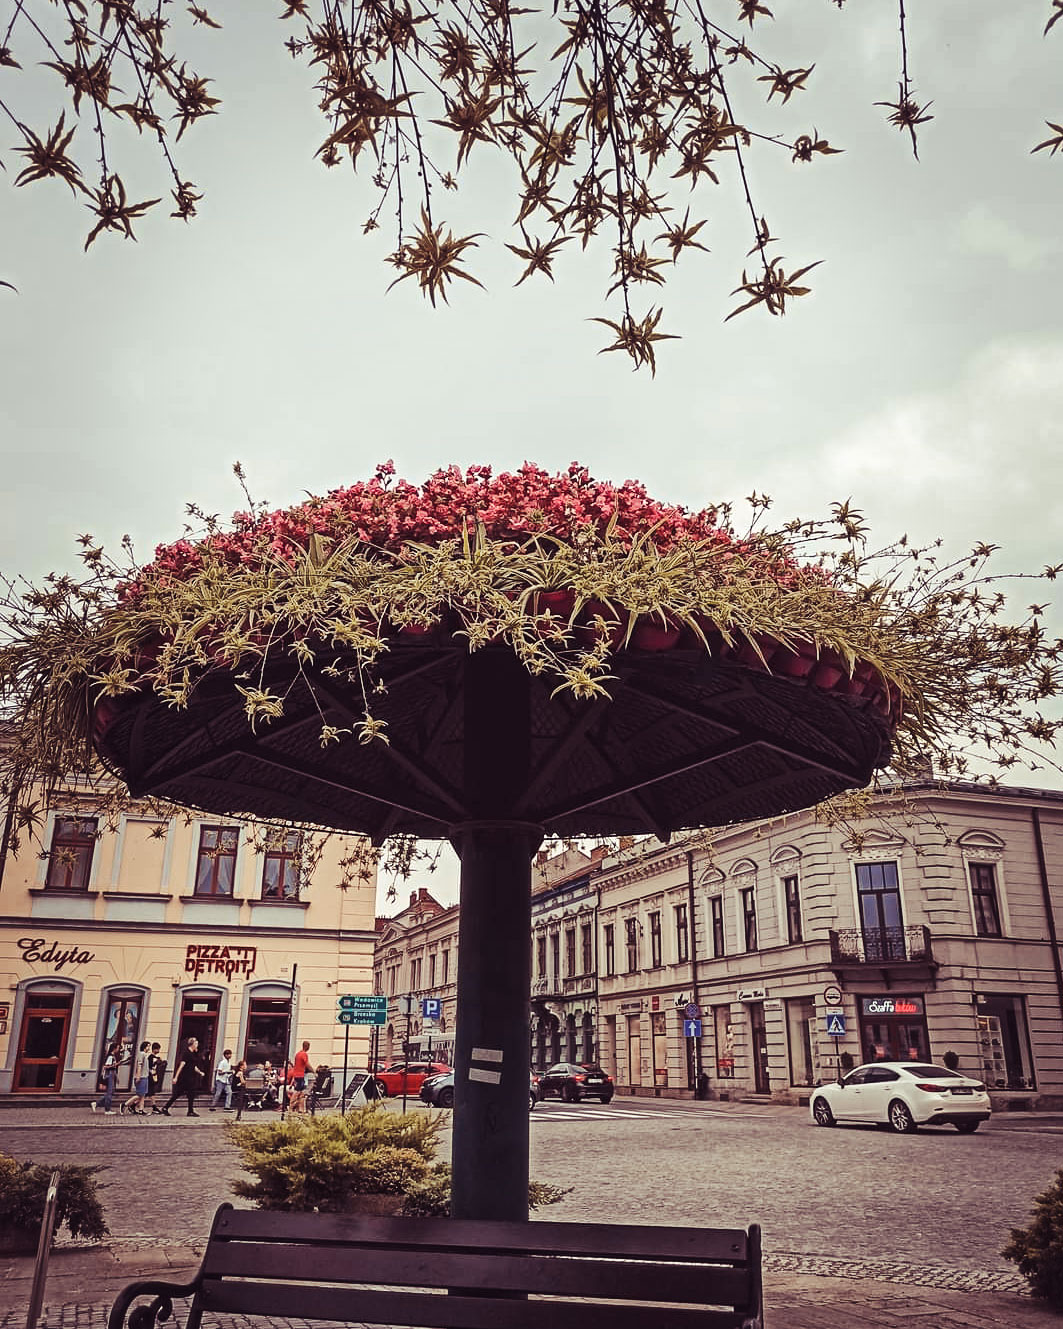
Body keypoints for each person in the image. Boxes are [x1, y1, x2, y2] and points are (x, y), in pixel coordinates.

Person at [160, 1037, 206, 1116]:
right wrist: (176, 1077)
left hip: (191, 1077)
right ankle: (188, 1111)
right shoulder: (186, 1053)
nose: (197, 1045)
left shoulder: (193, 1053)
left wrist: (200, 1072)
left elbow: (193, 1066)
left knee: (188, 1093)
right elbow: (182, 1065)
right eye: (196, 1043)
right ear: (192, 1044)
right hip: (185, 1077)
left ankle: (167, 1108)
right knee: (182, 1093)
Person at [91, 1040, 121, 1114]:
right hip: (109, 1075)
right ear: (114, 1048)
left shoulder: (112, 1056)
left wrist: (116, 1077)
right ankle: (107, 1110)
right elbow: (106, 1066)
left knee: (111, 1092)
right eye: (118, 1048)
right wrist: (116, 1065)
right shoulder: (110, 1056)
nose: (118, 1049)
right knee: (109, 1092)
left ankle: (96, 1104)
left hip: (112, 1074)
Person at [122, 1040, 151, 1115]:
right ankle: (125, 1104)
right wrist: (138, 1076)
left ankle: (141, 1110)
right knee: (139, 1095)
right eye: (148, 1046)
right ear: (144, 1047)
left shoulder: (145, 1055)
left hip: (145, 1076)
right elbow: (139, 1065)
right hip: (141, 1077)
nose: (149, 1048)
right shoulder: (141, 1054)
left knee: (143, 1095)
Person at [289, 1040, 311, 1114]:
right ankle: (291, 1108)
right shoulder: (304, 1054)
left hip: (297, 1075)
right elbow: (307, 1064)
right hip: (300, 1075)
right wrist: (313, 1071)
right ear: (307, 1047)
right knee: (297, 1092)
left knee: (301, 1093)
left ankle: (301, 1109)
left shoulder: (298, 1054)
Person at [146, 1043, 166, 1113]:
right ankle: (131, 1104)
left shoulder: (155, 1057)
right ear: (154, 1049)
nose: (159, 1051)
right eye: (158, 1049)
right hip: (150, 1076)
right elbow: (149, 1067)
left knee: (151, 1092)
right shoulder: (150, 1057)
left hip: (153, 1076)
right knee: (148, 1093)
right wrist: (157, 1062)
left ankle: (154, 1107)